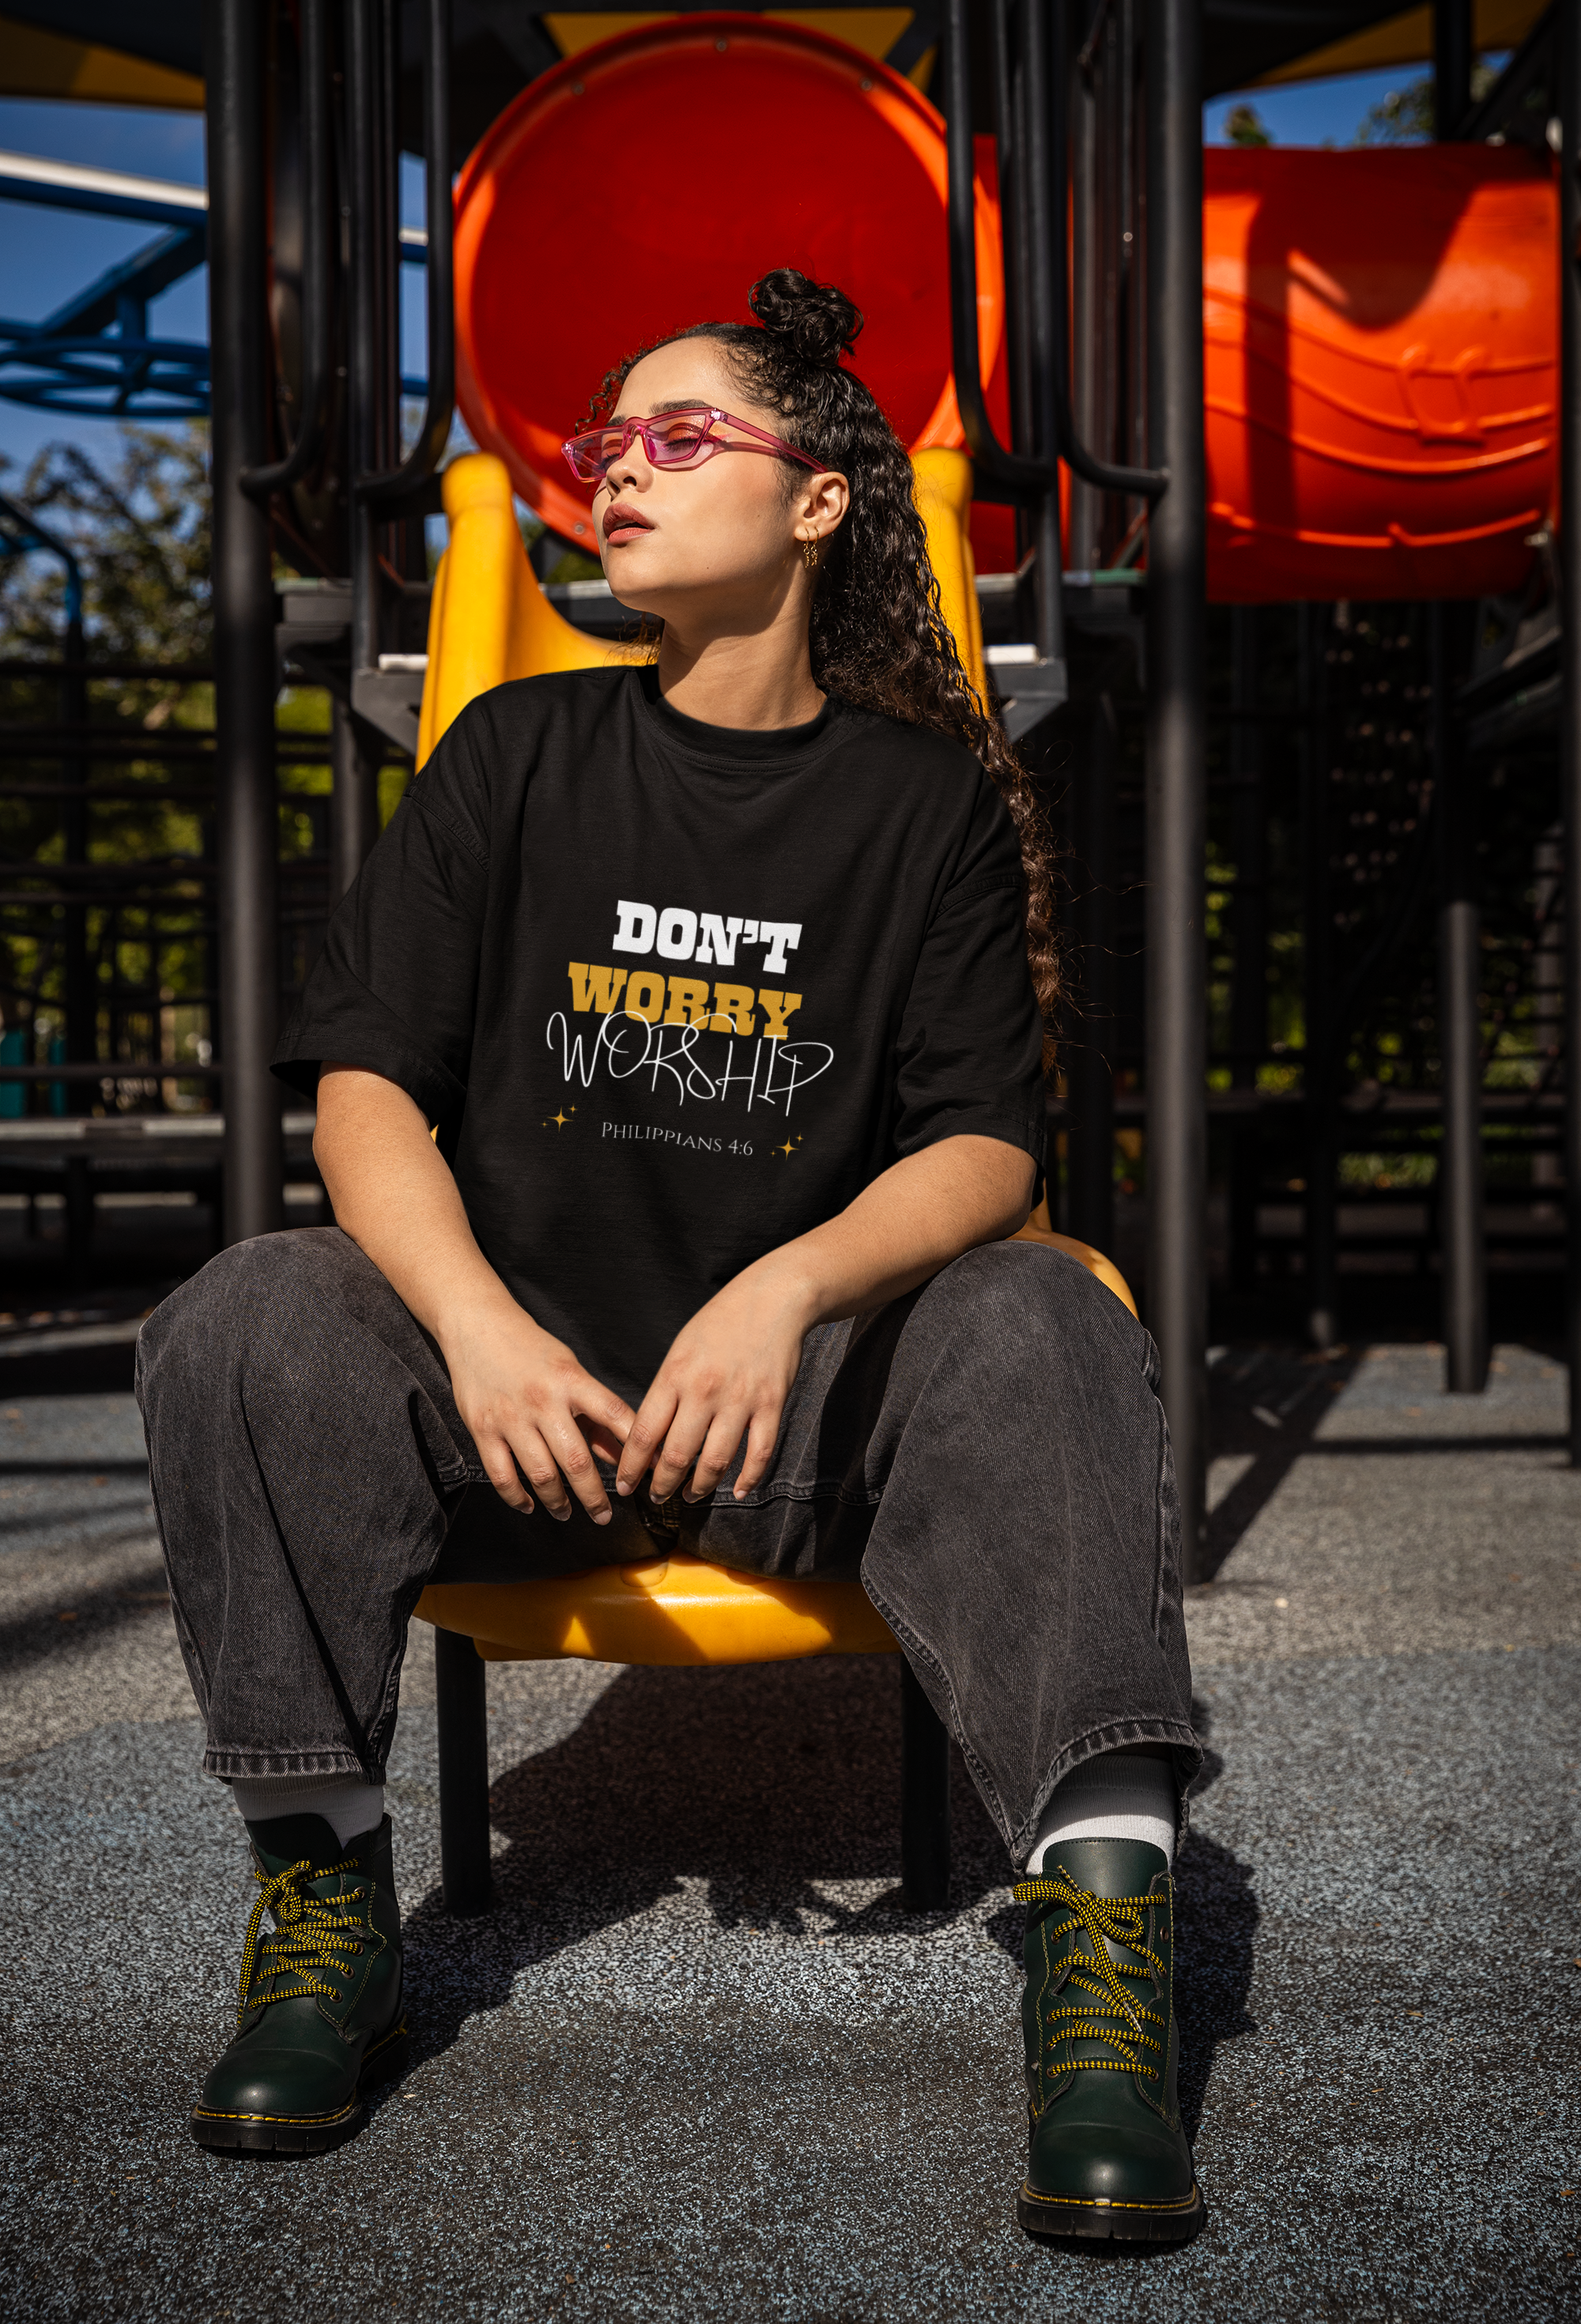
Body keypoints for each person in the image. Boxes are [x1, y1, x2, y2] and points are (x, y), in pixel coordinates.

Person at [137, 270, 1201, 2239]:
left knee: (1048, 1307)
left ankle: (1103, 1973)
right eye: (603, 444)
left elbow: (986, 1142)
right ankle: (321, 1898)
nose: (617, 472)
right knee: (249, 1310)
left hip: (791, 1429)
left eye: (679, 436)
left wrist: (788, 1286)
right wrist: (472, 1333)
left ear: (818, 505)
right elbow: (366, 1088)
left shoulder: (925, 798)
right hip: (516, 1417)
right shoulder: (515, 755)